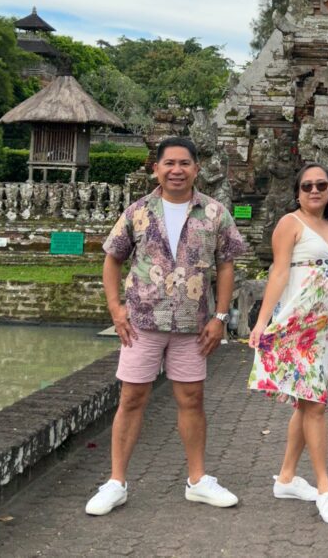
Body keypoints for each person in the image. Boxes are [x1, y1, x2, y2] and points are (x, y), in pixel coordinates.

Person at [85, 136, 248, 516]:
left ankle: (198, 480)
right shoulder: (138, 212)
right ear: (156, 168)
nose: (177, 170)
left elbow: (226, 264)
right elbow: (112, 259)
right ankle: (116, 482)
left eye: (184, 163)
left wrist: (221, 317)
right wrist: (116, 309)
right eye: (169, 163)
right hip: (142, 323)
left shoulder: (214, 213)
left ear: (196, 169)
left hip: (193, 325)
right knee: (132, 398)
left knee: (192, 398)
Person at [248, 162, 328, 526]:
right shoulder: (289, 224)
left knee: (306, 405)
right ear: (297, 192)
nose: (314, 190)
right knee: (315, 405)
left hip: (324, 330)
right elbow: (278, 273)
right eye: (307, 186)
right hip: (297, 326)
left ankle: (287, 478)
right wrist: (262, 322)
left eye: (321, 185)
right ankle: (325, 488)